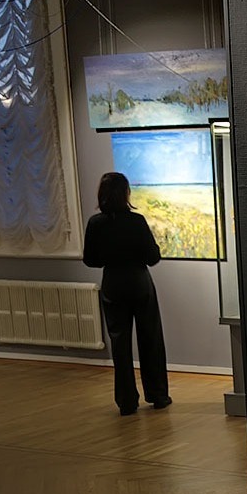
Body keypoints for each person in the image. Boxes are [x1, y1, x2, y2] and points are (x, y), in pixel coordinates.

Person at [82, 172, 171, 416]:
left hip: (113, 283)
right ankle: (158, 395)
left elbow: (90, 259)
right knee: (150, 339)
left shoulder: (95, 223)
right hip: (139, 282)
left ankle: (127, 401)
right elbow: (152, 257)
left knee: (119, 344)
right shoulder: (136, 221)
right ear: (126, 193)